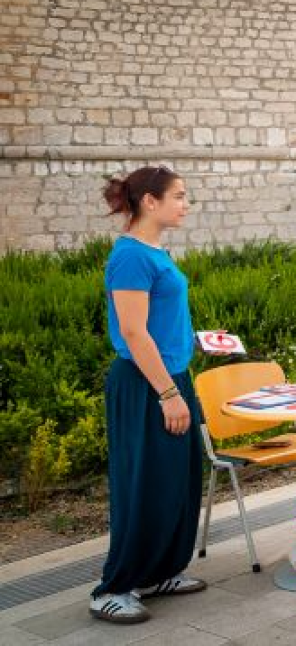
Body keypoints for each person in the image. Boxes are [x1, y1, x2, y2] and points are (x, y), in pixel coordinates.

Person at [91, 166, 206, 623]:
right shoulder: (131, 257)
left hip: (171, 377)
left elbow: (158, 324)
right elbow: (135, 333)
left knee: (175, 484)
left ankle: (159, 572)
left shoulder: (154, 253)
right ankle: (113, 587)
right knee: (142, 485)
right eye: (178, 195)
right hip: (147, 385)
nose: (186, 203)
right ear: (150, 201)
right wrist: (166, 394)